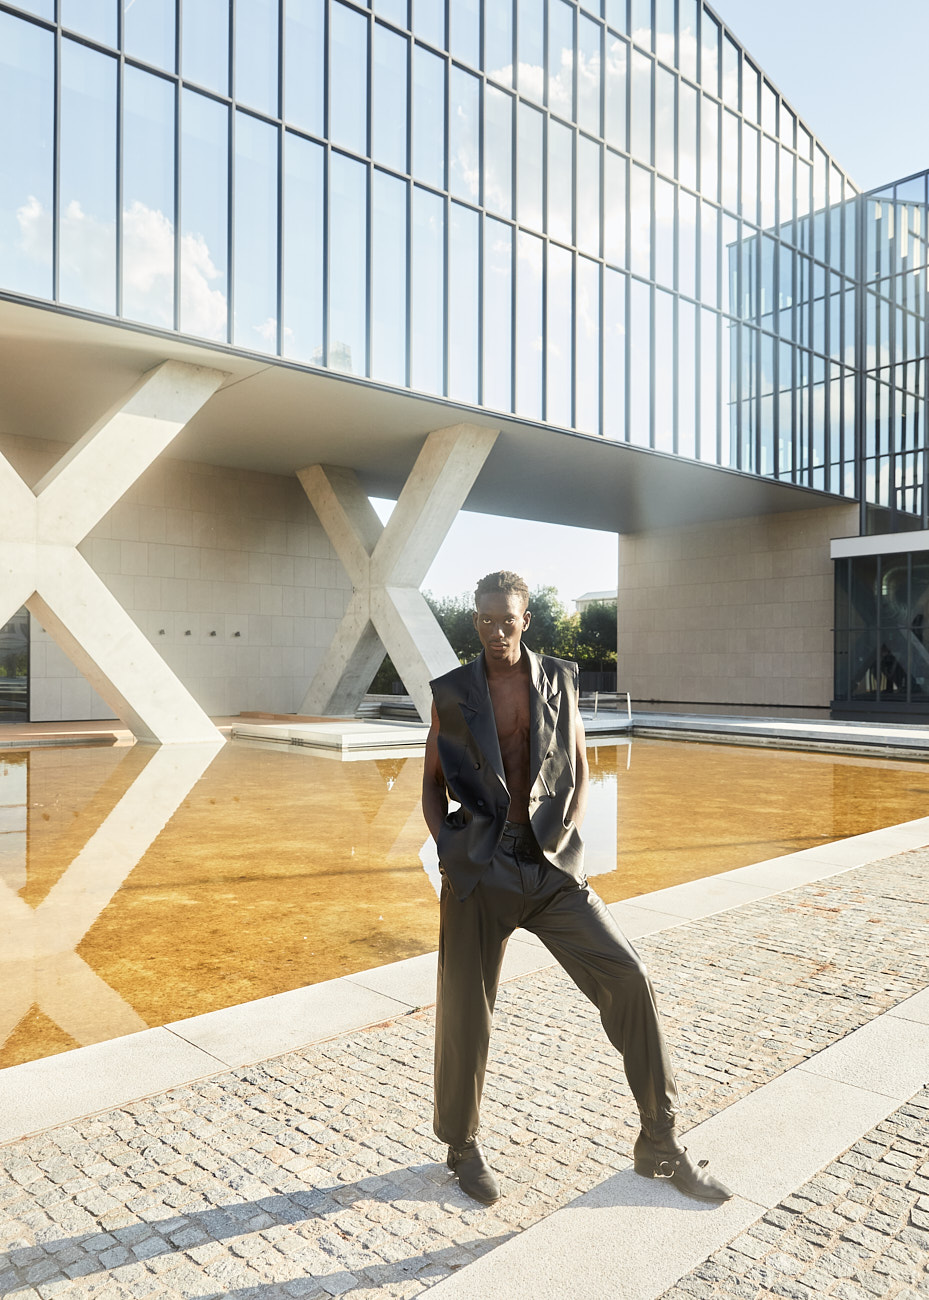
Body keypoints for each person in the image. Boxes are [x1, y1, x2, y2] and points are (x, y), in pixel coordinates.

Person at [421, 570, 732, 1206]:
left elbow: (583, 766)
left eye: (506, 618)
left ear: (525, 618)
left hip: (549, 865)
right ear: (474, 621)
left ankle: (661, 1144)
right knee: (464, 1008)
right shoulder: (453, 692)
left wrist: (566, 836)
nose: (495, 630)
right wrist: (450, 855)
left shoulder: (559, 679)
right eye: (484, 619)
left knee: (628, 976)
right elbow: (431, 780)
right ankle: (461, 1145)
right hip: (480, 866)